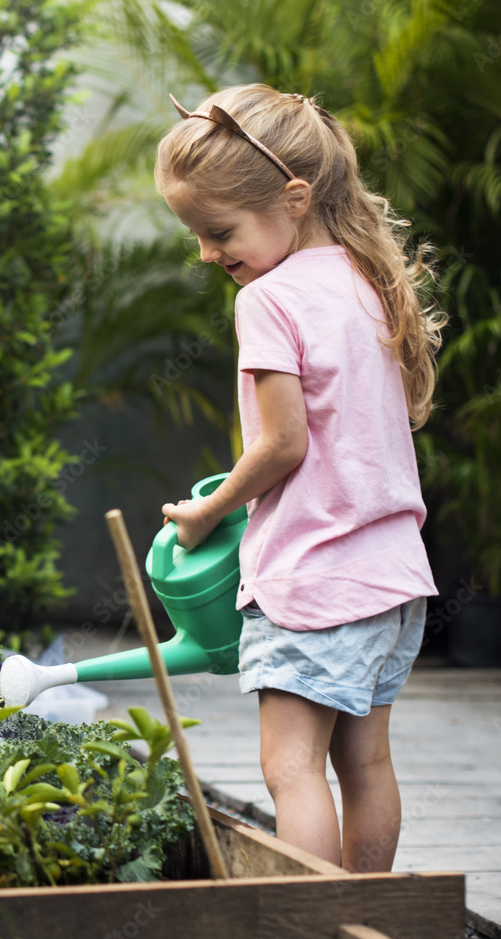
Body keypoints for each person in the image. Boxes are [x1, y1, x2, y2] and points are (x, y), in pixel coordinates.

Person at [155, 84, 444, 872]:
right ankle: (363, 927)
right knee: (366, 767)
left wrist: (207, 510)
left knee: (290, 768)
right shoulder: (366, 279)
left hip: (314, 581)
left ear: (294, 197)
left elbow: (282, 445)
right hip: (393, 579)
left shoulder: (270, 298)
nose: (209, 254)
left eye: (219, 232)